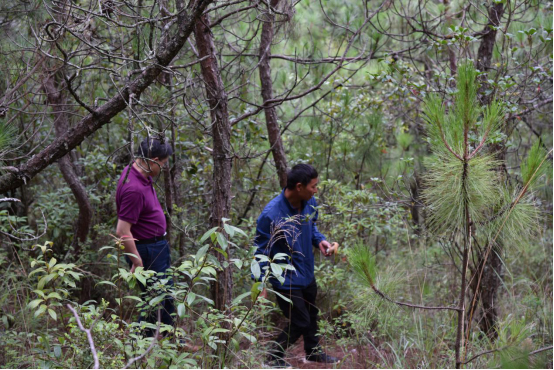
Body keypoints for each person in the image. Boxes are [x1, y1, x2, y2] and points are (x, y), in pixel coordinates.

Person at [253, 164, 340, 368]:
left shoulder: (309, 202)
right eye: (313, 186)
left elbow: (312, 227)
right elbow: (261, 250)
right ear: (299, 187)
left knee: (311, 313)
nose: (316, 190)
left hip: (306, 272)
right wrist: (260, 284)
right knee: (300, 320)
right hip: (286, 278)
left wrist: (320, 241)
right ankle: (273, 357)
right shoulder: (271, 214)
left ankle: (313, 352)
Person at [115, 137, 174, 336]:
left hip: (156, 247)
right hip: (147, 251)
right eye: (164, 164)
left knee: (165, 297)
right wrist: (137, 261)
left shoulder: (140, 173)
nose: (164, 168)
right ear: (154, 160)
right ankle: (140, 347)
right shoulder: (133, 188)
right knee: (154, 301)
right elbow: (122, 231)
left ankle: (171, 341)